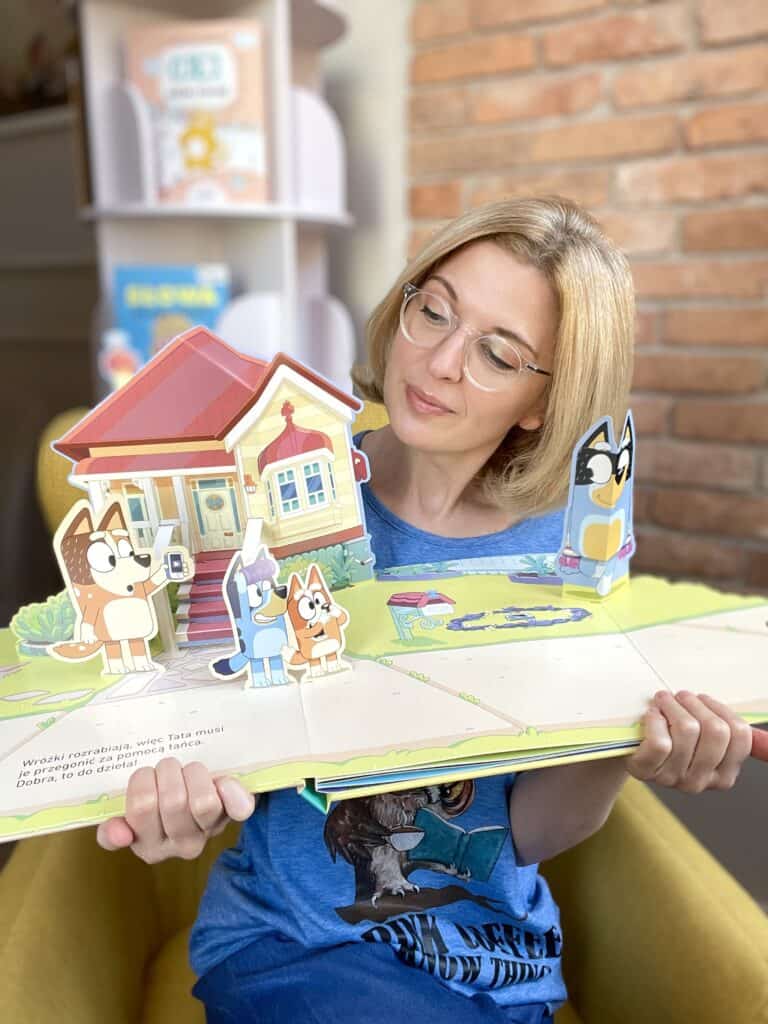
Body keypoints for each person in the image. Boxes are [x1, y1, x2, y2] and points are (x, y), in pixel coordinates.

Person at [95, 197, 754, 1024]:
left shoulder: (570, 543)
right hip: (297, 948)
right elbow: (191, 707)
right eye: (434, 310)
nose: (439, 362)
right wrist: (173, 791)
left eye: (497, 353)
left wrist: (625, 743)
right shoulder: (274, 492)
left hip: (503, 968)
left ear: (543, 403)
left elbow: (523, 834)